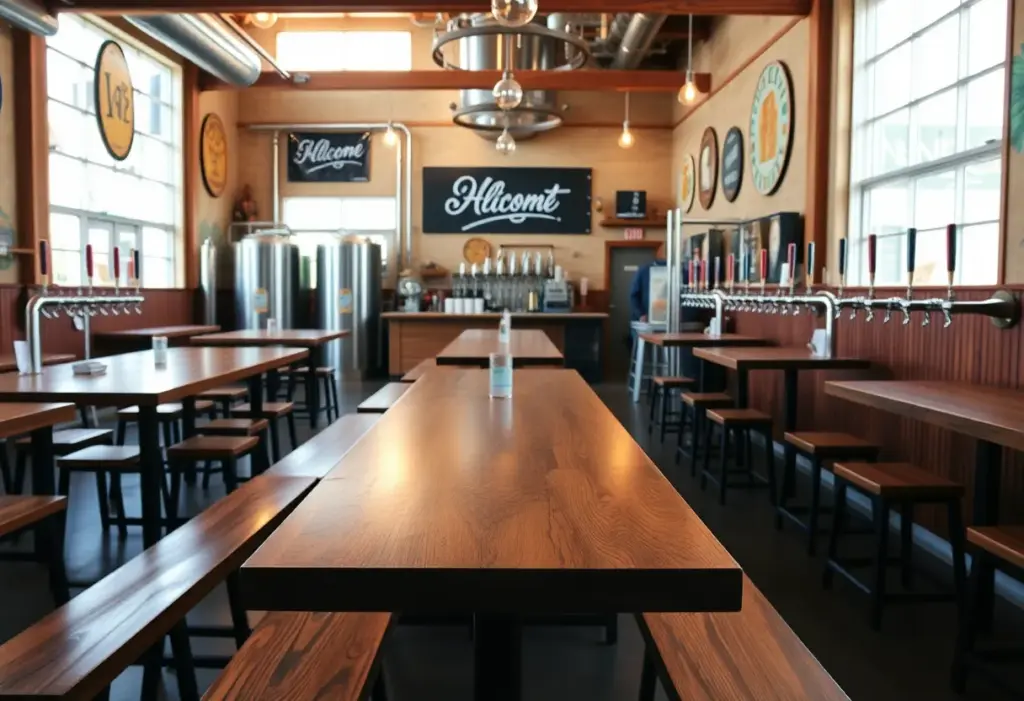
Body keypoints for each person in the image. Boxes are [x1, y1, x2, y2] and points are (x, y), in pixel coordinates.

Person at [629, 243, 666, 323]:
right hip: (645, 320)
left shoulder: (678, 270)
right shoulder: (645, 270)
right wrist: (641, 314)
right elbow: (634, 295)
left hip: (666, 318)